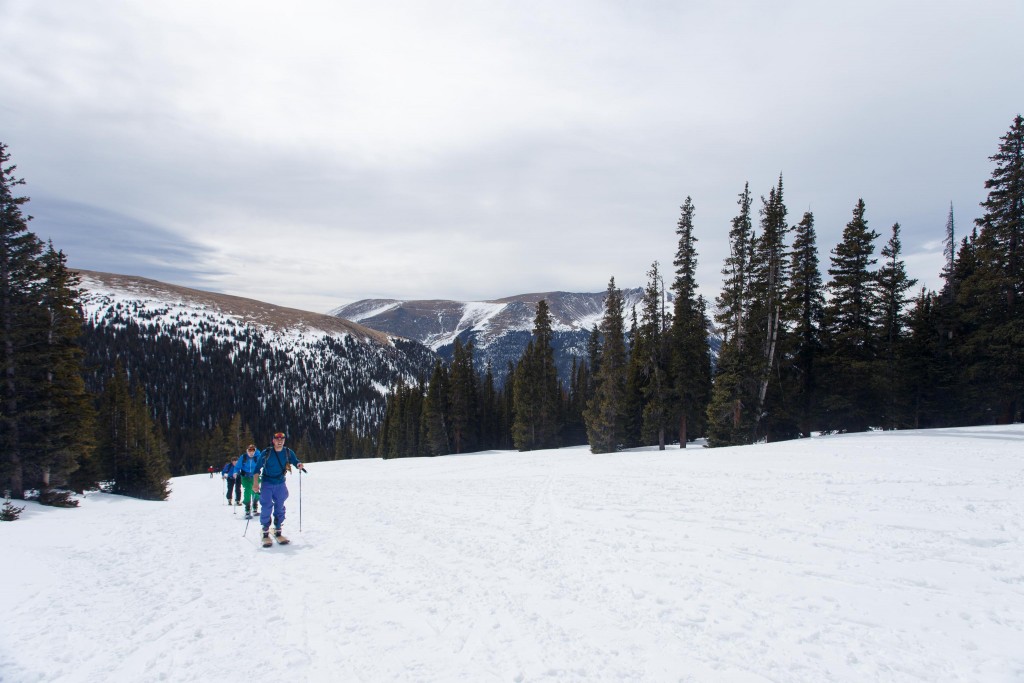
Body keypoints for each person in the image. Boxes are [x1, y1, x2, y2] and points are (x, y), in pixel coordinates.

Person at [253, 432, 306, 547]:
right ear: (273, 441)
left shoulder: (287, 452)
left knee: (280, 505)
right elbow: (257, 469)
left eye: (282, 439)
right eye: (277, 439)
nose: (280, 441)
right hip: (267, 482)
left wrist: (298, 464)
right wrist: (255, 483)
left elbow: (295, 460)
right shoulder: (267, 453)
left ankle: (278, 529)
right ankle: (265, 530)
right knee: (266, 505)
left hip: (280, 483)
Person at [233, 444, 262, 519]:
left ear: (255, 451)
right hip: (245, 477)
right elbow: (238, 466)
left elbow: (264, 464)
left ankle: (255, 507)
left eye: (253, 450)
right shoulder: (244, 457)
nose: (251, 452)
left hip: (255, 476)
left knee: (256, 491)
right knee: (248, 490)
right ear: (247, 451)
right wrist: (235, 472)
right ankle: (247, 509)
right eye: (249, 450)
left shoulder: (258, 457)